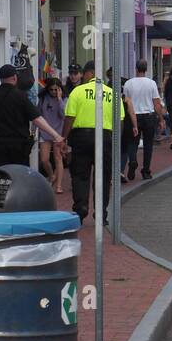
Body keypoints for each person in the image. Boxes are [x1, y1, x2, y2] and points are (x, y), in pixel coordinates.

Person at [0, 64, 61, 170]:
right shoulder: (21, 96)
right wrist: (55, 135)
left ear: (0, 79)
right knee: (20, 176)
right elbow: (37, 119)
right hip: (19, 147)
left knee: (0, 175)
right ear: (15, 77)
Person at [62, 61, 114, 226]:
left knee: (80, 175)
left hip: (81, 137)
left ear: (89, 73)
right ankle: (101, 213)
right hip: (105, 136)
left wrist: (64, 138)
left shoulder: (78, 91)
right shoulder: (112, 94)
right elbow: (119, 120)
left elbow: (69, 117)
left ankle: (81, 207)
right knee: (103, 177)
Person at [123, 60, 164, 178]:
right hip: (148, 116)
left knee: (132, 142)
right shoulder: (151, 83)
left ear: (136, 68)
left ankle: (133, 160)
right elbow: (156, 103)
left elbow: (126, 101)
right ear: (146, 69)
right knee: (148, 144)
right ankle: (146, 171)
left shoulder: (128, 84)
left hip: (133, 116)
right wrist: (161, 119)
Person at [38, 77, 68, 193]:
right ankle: (51, 176)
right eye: (51, 90)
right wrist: (33, 130)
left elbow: (64, 114)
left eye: (56, 90)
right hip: (45, 132)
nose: (54, 92)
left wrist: (60, 99)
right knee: (44, 160)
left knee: (58, 159)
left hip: (58, 133)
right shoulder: (43, 98)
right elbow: (37, 115)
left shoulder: (64, 99)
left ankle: (59, 186)